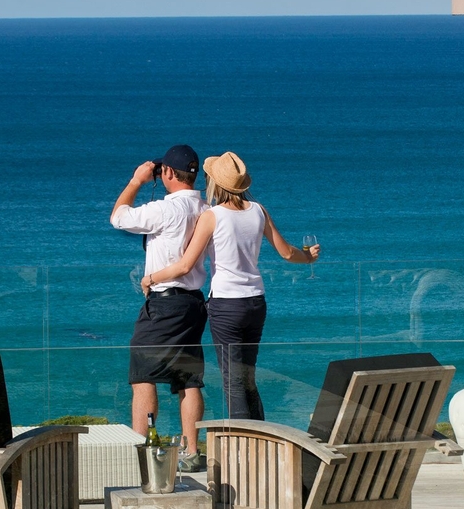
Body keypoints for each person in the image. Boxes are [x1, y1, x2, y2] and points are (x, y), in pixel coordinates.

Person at [145, 151, 318, 421]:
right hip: (256, 302)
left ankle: (241, 449)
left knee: (232, 380)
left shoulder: (212, 216)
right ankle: (259, 442)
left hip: (227, 305)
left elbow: (184, 266)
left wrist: (151, 278)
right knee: (248, 376)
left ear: (215, 183)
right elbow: (286, 253)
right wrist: (308, 257)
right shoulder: (259, 211)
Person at [110, 144, 209, 472]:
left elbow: (119, 217)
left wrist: (136, 181)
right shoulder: (205, 207)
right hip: (195, 303)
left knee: (143, 376)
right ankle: (191, 451)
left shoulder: (166, 209)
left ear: (167, 173)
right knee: (189, 379)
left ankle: (144, 450)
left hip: (165, 302)